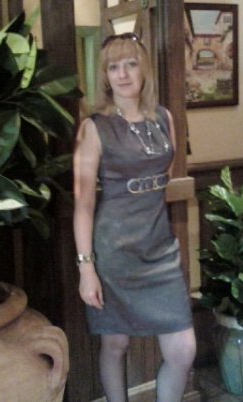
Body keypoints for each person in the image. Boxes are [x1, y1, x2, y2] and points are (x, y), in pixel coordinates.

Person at [73, 32, 196, 402]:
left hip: (159, 250)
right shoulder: (94, 127)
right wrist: (86, 268)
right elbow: (83, 204)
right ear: (105, 75)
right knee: (115, 344)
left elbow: (164, 175)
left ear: (145, 69)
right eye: (114, 67)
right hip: (114, 253)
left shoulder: (164, 118)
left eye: (130, 64)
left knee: (183, 350)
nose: (123, 74)